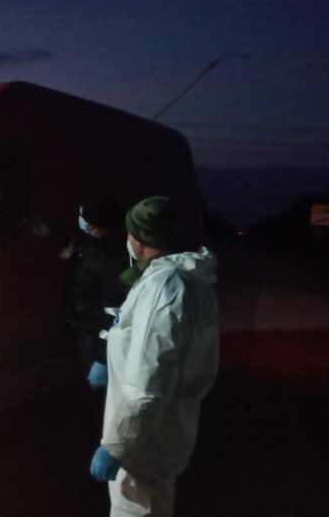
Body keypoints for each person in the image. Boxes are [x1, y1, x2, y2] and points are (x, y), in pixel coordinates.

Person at [90, 196, 219, 517]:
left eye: (130, 232)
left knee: (140, 508)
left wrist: (117, 445)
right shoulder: (179, 279)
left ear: (141, 239)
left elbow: (150, 383)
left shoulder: (165, 287)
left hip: (145, 445)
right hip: (159, 432)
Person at [62, 195, 127, 429]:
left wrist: (101, 359)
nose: (80, 219)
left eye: (84, 216)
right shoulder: (93, 243)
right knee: (88, 394)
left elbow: (114, 313)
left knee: (102, 399)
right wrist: (49, 234)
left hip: (96, 335)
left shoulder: (112, 257)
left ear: (96, 223)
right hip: (84, 327)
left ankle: (107, 440)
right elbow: (70, 253)